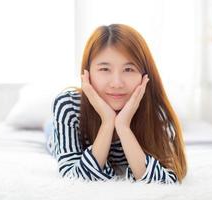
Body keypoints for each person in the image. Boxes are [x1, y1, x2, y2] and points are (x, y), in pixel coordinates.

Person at [44, 24, 187, 184]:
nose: (117, 83)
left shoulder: (155, 112)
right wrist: (107, 122)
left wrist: (123, 127)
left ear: (144, 75)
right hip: (56, 131)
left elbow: (166, 181)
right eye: (104, 69)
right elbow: (73, 177)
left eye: (128, 69)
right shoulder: (68, 106)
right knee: (50, 129)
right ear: (87, 73)